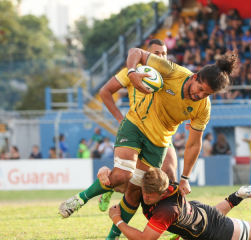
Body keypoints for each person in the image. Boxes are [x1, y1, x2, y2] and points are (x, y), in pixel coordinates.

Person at [59, 48, 238, 240]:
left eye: (206, 94)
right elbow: (135, 52)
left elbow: (194, 144)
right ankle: (79, 200)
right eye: (200, 89)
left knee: (136, 191)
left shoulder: (203, 107)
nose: (199, 96)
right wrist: (132, 72)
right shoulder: (172, 71)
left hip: (159, 143)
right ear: (194, 77)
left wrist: (185, 178)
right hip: (135, 124)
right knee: (123, 175)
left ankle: (112, 237)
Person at [107, 167, 251, 240]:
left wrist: (117, 220)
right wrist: (106, 177)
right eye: (145, 193)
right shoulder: (156, 183)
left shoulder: (166, 210)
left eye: (151, 196)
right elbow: (124, 186)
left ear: (162, 192)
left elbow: (145, 239)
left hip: (209, 229)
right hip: (197, 217)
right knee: (205, 219)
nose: (146, 198)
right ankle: (237, 195)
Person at [95, 40, 180, 212]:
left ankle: (173, 219)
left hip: (162, 132)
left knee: (170, 174)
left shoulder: (170, 74)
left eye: (164, 53)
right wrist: (120, 119)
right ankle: (110, 188)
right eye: (156, 53)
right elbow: (105, 91)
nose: (161, 57)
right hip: (138, 131)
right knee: (126, 183)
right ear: (147, 56)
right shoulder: (132, 72)